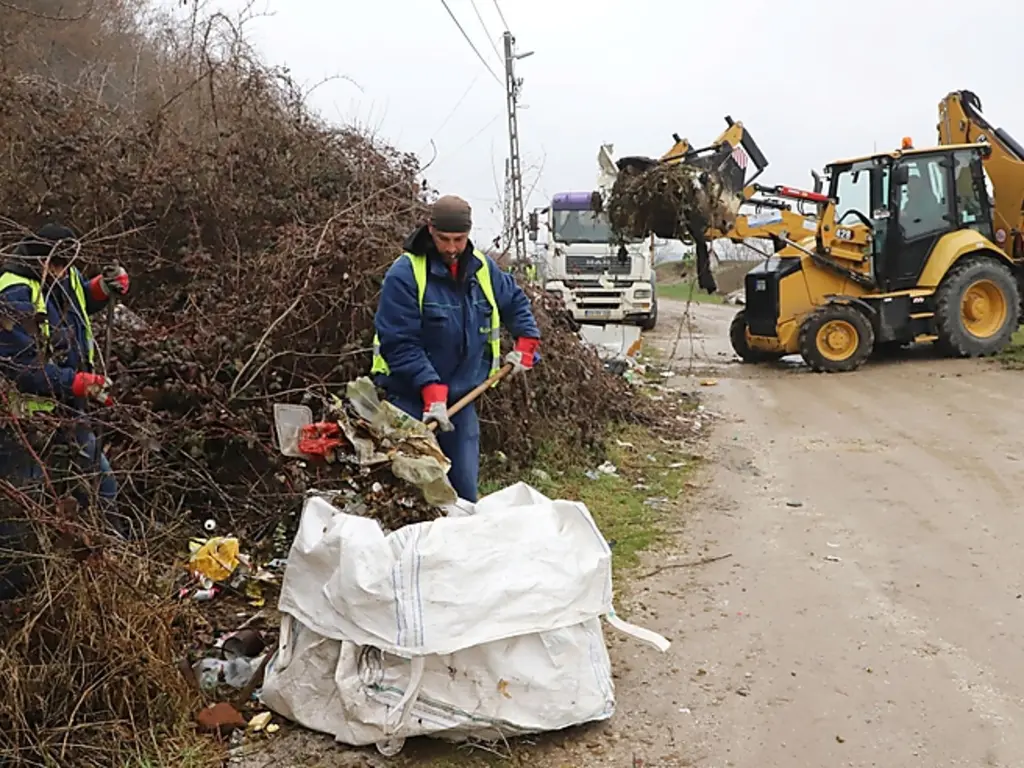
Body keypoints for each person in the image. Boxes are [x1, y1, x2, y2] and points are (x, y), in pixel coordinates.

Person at [371, 195, 541, 502]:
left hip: (462, 402)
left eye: (459, 240)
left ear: (469, 234)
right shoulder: (405, 274)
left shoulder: (483, 269)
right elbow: (399, 343)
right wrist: (430, 390)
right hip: (409, 402)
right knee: (413, 496)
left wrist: (526, 344)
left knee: (463, 494)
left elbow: (515, 302)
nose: (451, 248)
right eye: (443, 239)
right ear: (430, 231)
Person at [0, 223, 129, 537]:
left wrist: (99, 288)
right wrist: (75, 382)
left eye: (67, 264)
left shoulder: (65, 273)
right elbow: (20, 369)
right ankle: (19, 580)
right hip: (23, 423)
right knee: (22, 510)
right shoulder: (14, 293)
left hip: (69, 413)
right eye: (56, 264)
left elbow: (74, 301)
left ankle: (116, 555)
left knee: (101, 485)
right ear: (39, 259)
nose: (62, 270)